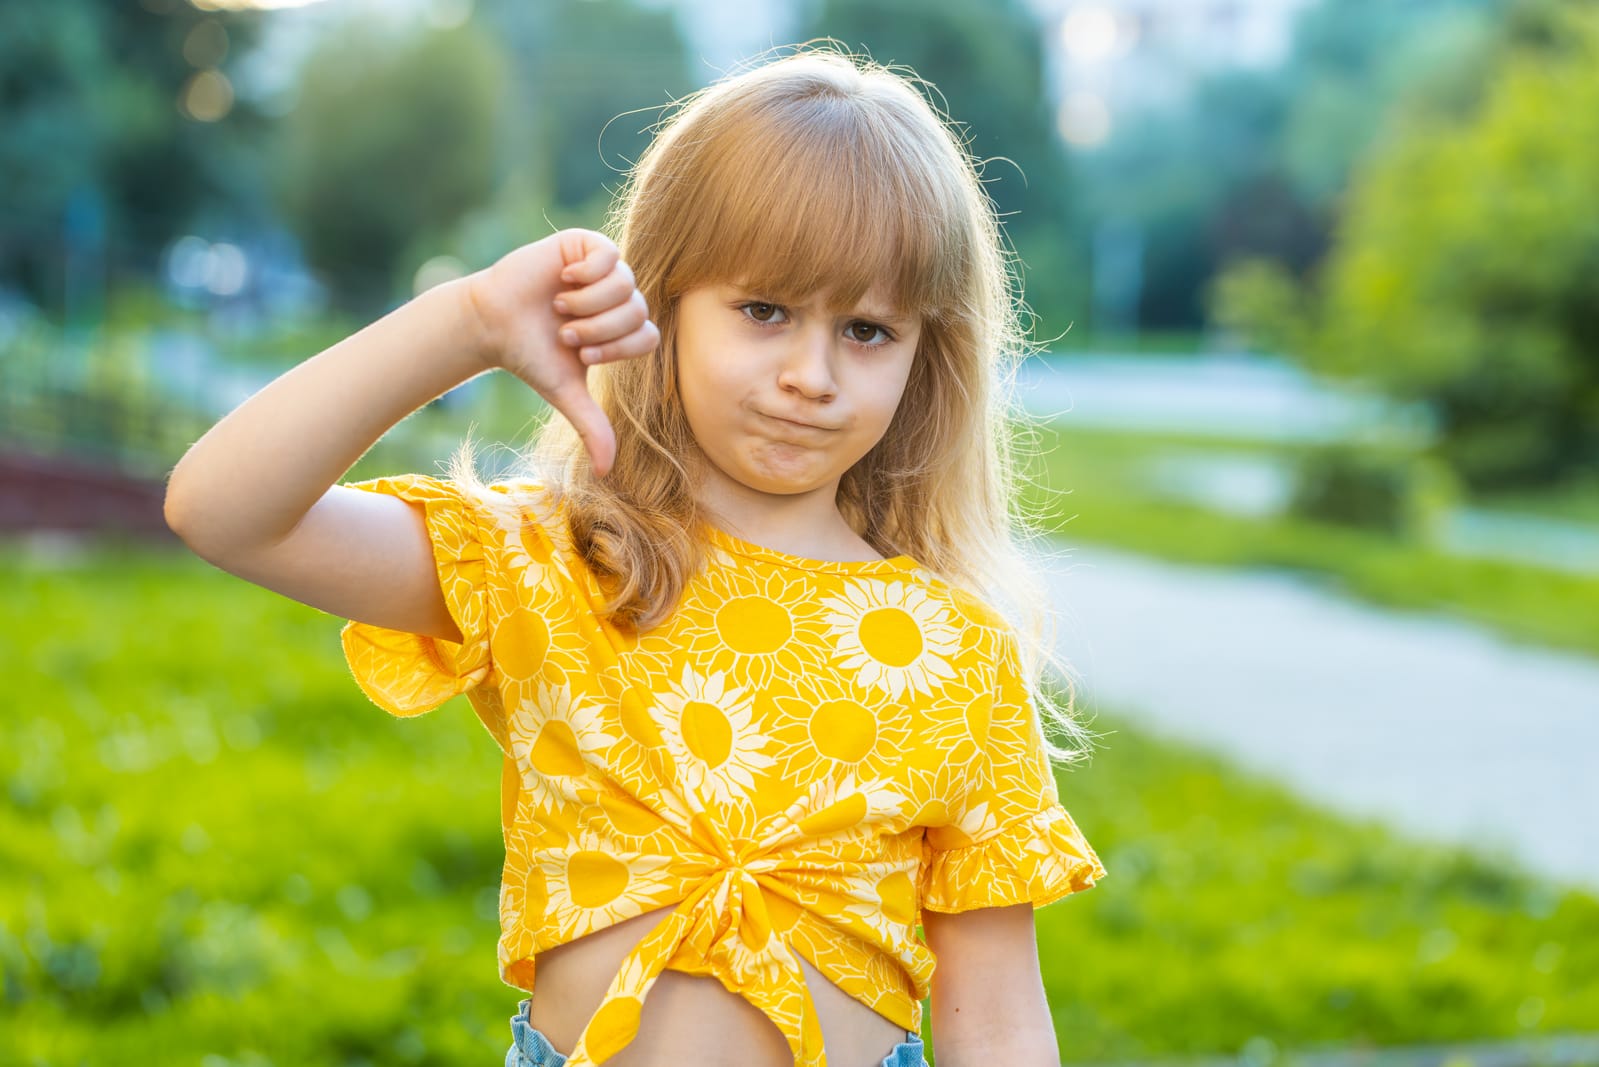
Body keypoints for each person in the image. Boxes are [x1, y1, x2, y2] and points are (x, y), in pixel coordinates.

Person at [164, 41, 1108, 1067]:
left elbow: (1002, 1015)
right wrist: (470, 320)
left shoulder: (952, 645)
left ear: (929, 353)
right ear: (655, 304)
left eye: (869, 329)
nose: (811, 373)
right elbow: (223, 508)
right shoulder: (551, 560)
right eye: (763, 310)